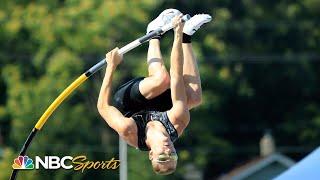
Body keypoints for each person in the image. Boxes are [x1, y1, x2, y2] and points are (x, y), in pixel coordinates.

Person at [97, 9, 211, 175]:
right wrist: (179, 36)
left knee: (162, 80)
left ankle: (153, 34)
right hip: (160, 106)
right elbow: (177, 76)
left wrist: (111, 66)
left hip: (129, 102)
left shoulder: (130, 130)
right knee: (194, 98)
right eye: (172, 155)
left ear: (151, 154)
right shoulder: (178, 121)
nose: (168, 151)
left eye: (162, 157)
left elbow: (103, 107)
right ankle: (188, 34)